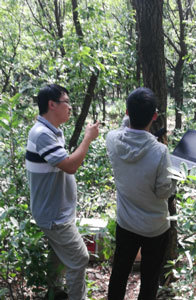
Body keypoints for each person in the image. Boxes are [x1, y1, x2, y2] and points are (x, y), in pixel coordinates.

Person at [25, 84, 99, 300]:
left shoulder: (52, 131)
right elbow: (70, 165)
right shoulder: (42, 135)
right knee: (79, 258)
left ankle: (55, 293)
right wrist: (87, 139)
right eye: (66, 102)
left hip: (55, 211)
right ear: (52, 104)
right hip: (54, 216)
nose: (70, 107)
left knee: (57, 257)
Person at [106, 87, 176, 300]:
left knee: (119, 272)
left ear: (126, 112)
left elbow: (124, 128)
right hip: (154, 228)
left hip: (126, 222)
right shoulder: (160, 151)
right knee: (149, 277)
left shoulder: (112, 139)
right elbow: (163, 191)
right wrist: (176, 178)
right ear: (154, 116)